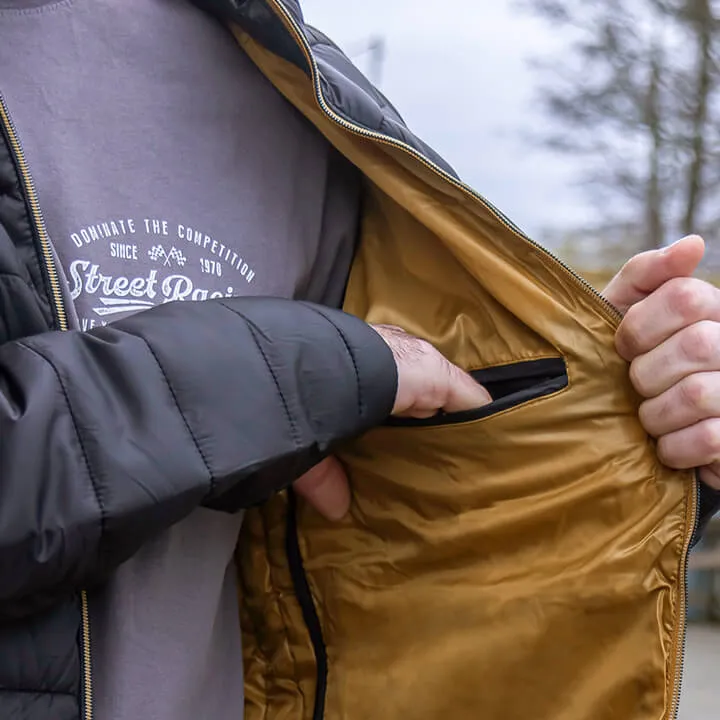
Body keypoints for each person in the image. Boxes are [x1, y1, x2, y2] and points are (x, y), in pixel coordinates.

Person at [0, 1, 718, 719]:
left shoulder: (285, 76)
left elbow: (363, 528)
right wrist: (267, 381)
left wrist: (598, 421)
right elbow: (303, 377)